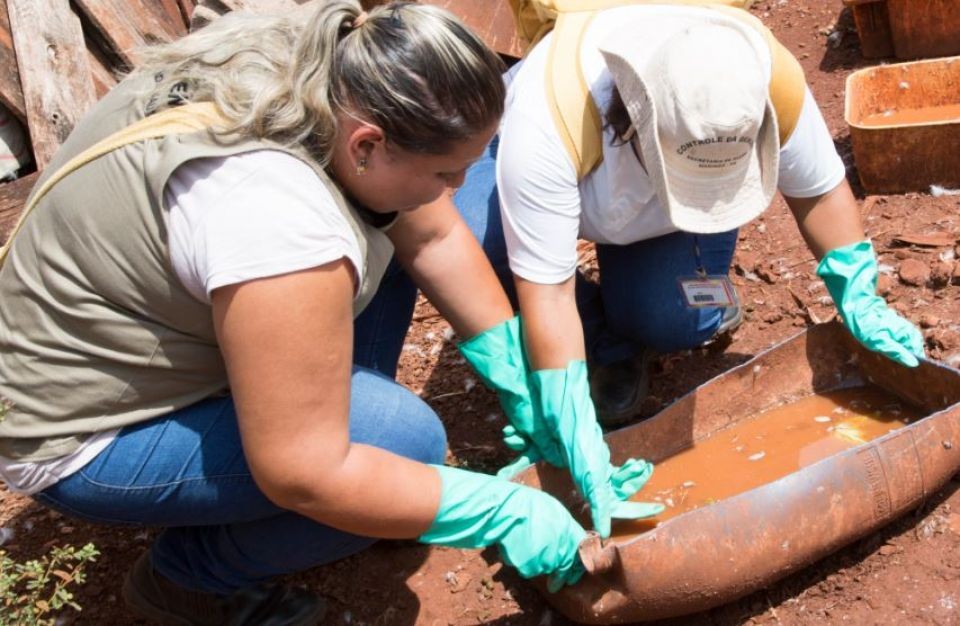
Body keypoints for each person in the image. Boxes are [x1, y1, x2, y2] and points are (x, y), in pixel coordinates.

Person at [0, 3, 658, 624]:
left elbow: (430, 236)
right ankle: (187, 579)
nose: (458, 190)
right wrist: (503, 514)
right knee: (403, 446)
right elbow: (303, 471)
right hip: (86, 428)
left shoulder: (343, 64)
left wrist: (523, 379)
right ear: (368, 144)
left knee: (391, 233)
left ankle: (358, 485)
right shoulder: (276, 219)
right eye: (445, 173)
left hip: (159, 322)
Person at [451, 3, 926, 428]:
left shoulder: (761, 77)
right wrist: (567, 405)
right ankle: (604, 344)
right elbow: (548, 294)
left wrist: (859, 295)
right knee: (474, 243)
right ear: (633, 122)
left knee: (670, 319)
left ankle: (662, 306)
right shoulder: (550, 121)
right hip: (560, 171)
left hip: (652, 215)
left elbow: (819, 193)